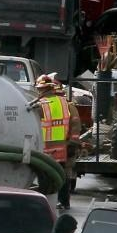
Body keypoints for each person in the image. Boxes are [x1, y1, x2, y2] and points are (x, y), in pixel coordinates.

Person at [35, 74, 81, 209]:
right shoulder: (65, 103)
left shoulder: (39, 105)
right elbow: (76, 123)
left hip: (44, 149)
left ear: (41, 89)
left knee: (44, 176)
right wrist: (73, 143)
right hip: (62, 148)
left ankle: (43, 202)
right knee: (63, 176)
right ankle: (64, 202)